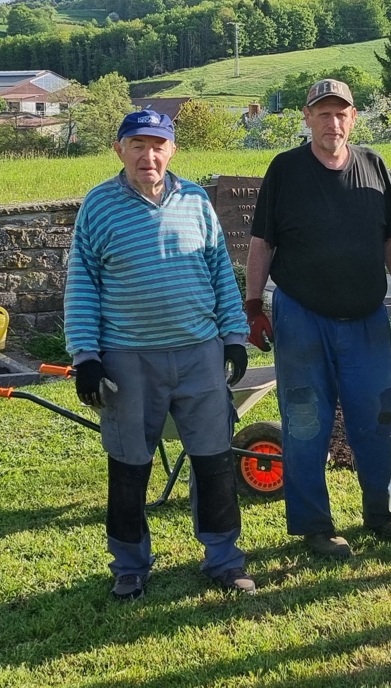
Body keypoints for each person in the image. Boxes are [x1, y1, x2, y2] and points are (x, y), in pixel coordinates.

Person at [64, 109, 254, 600]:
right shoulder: (98, 206)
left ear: (172, 150)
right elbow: (82, 284)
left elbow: (220, 272)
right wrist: (86, 357)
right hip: (129, 359)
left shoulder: (195, 200)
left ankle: (224, 559)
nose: (148, 156)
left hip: (199, 353)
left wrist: (234, 336)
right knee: (129, 467)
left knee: (213, 462)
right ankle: (129, 565)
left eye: (157, 145)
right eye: (137, 145)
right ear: (119, 150)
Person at [243, 79, 391, 559]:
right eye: (323, 113)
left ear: (353, 118)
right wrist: (254, 305)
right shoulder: (285, 169)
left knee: (380, 416)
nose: (332, 122)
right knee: (304, 420)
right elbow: (262, 242)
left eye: (341, 113)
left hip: (366, 317)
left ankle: (381, 513)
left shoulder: (373, 165)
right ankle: (315, 525)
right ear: (307, 117)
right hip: (302, 316)